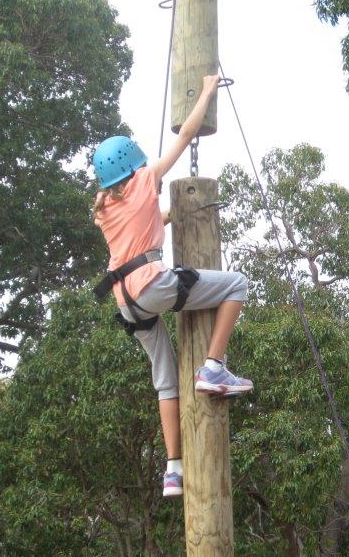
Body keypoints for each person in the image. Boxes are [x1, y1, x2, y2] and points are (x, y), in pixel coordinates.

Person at [92, 74, 252, 498]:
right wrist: (207, 90)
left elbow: (140, 233)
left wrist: (169, 216)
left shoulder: (106, 207)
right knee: (236, 284)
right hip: (150, 286)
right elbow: (185, 136)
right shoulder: (144, 181)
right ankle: (213, 366)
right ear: (133, 166)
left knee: (165, 379)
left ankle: (173, 471)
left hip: (126, 302)